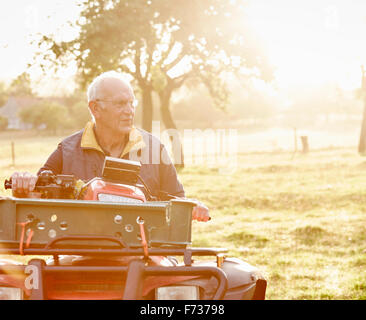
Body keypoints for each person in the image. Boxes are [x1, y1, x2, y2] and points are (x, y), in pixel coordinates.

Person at [10, 71, 209, 221]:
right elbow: (37, 195)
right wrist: (23, 185)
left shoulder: (155, 149)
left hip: (145, 253)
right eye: (121, 104)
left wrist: (194, 207)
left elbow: (178, 202)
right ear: (95, 108)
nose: (129, 111)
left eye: (132, 103)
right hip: (79, 252)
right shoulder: (68, 150)